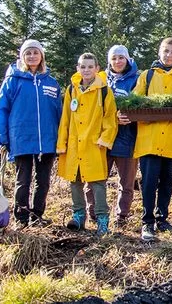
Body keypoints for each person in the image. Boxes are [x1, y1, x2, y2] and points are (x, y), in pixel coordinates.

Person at [129, 37, 172, 241]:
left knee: (167, 181)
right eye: (165, 51)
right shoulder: (147, 76)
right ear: (159, 52)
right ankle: (147, 221)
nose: (169, 55)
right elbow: (134, 100)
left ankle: (162, 218)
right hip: (150, 139)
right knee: (148, 182)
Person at [0, 40, 62, 229]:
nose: (32, 56)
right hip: (21, 139)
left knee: (43, 181)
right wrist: (3, 137)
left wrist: (61, 138)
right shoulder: (13, 81)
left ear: (41, 56)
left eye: (35, 52)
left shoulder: (51, 83)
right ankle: (21, 217)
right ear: (22, 56)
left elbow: (59, 113)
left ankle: (37, 216)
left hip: (47, 141)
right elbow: (0, 110)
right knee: (22, 180)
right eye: (28, 53)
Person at [57, 53, 118, 235]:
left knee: (98, 183)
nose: (87, 70)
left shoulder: (104, 91)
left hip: (94, 145)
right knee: (75, 181)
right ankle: (78, 216)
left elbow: (110, 118)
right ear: (78, 69)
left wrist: (104, 139)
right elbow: (65, 119)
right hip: (75, 145)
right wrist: (62, 143)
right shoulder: (71, 90)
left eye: (90, 66)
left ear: (97, 69)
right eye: (83, 66)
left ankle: (102, 220)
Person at [86, 45, 140, 227]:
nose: (117, 61)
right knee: (96, 178)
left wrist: (130, 117)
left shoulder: (137, 79)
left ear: (127, 59)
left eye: (121, 58)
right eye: (114, 58)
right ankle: (94, 213)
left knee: (126, 182)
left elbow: (142, 104)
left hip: (128, 137)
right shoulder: (99, 79)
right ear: (109, 61)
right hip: (102, 138)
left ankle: (121, 216)